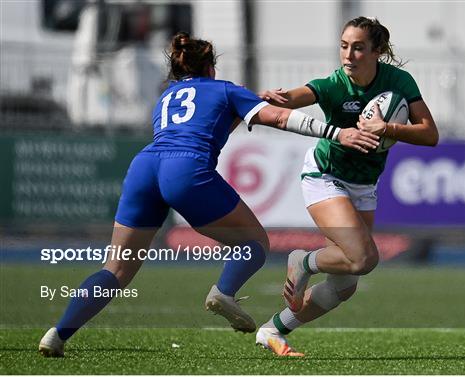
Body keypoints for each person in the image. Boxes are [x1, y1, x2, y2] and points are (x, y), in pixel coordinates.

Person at [38, 32, 374, 357]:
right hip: (184, 169)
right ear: (211, 67)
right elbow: (280, 118)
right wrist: (336, 132)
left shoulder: (165, 98)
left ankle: (58, 333)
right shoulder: (226, 89)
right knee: (254, 243)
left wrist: (252, 100)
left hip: (145, 167)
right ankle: (223, 293)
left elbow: (214, 118)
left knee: (116, 269)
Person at [255, 17, 439, 356]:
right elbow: (301, 95)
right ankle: (304, 262)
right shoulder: (335, 84)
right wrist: (278, 98)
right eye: (343, 46)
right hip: (326, 176)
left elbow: (430, 133)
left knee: (345, 285)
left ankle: (272, 330)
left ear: (377, 51)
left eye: (357, 47)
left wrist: (388, 129)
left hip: (364, 185)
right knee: (364, 259)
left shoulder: (399, 82)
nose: (348, 55)